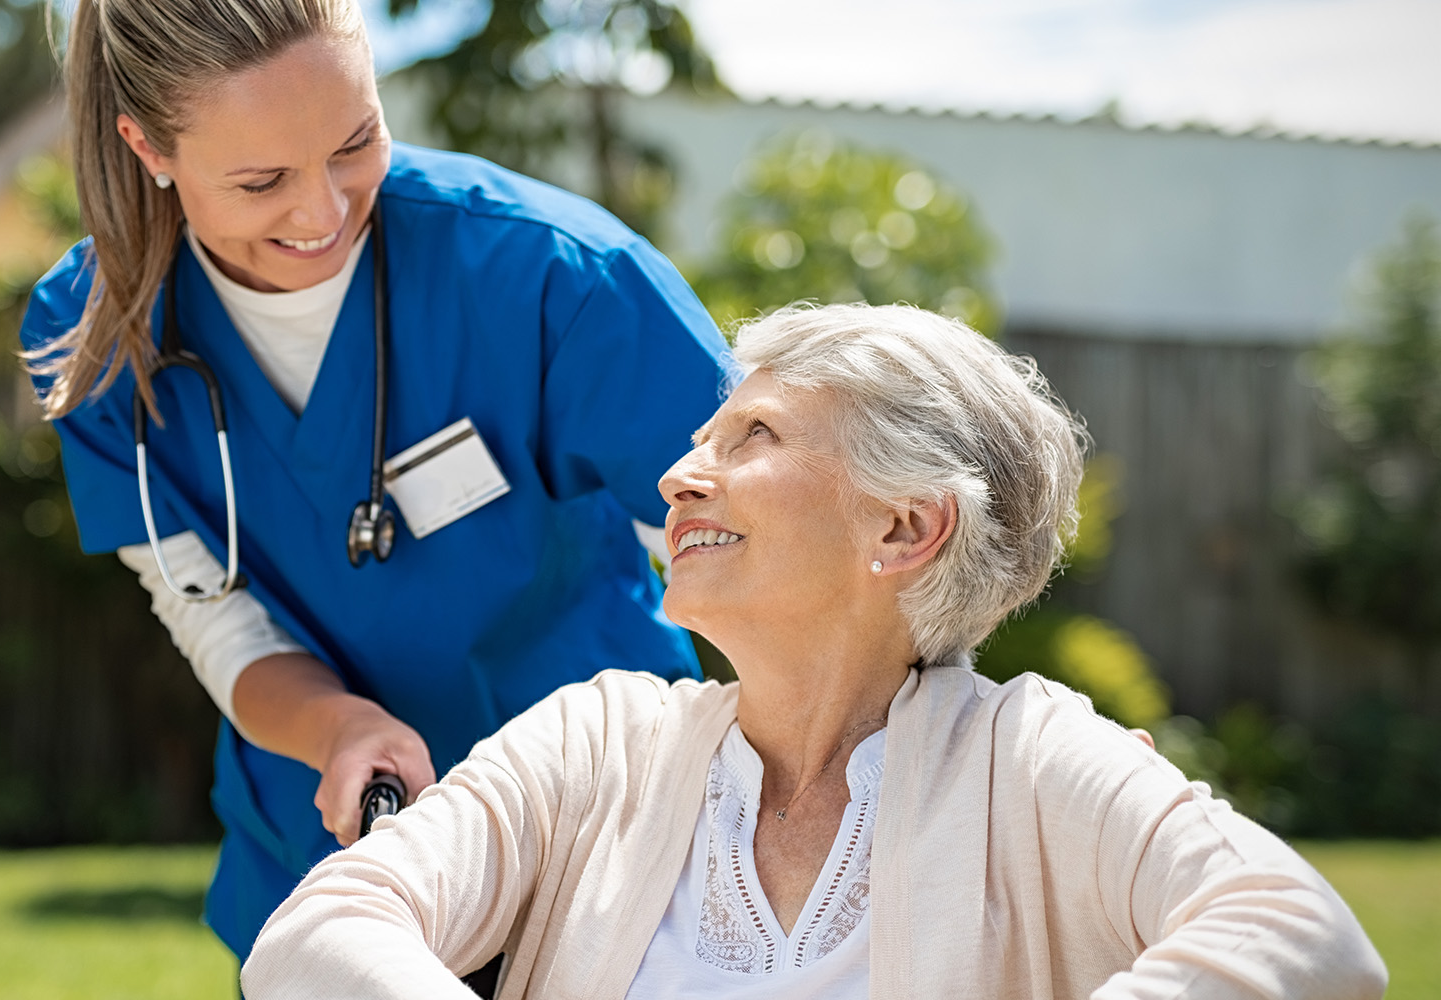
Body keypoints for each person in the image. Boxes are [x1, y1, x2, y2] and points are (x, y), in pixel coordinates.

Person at [241, 303, 1388, 1000]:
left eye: (752, 436)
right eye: (700, 435)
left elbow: (1307, 940)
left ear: (904, 526)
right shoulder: (596, 741)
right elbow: (317, 938)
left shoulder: (1031, 758)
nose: (681, 473)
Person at [17, 0, 731, 958]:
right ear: (149, 146)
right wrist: (336, 729)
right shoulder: (89, 338)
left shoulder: (561, 279)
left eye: (356, 142)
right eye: (261, 180)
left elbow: (759, 555)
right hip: (333, 866)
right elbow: (215, 615)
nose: (323, 213)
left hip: (603, 852)